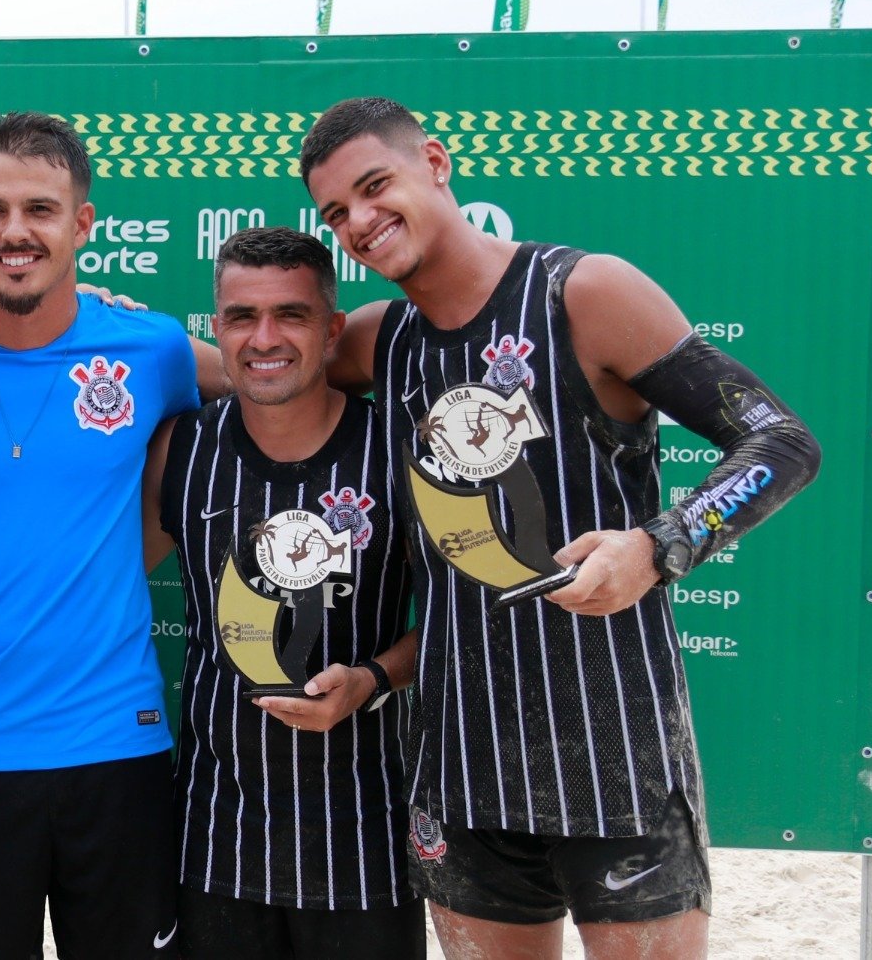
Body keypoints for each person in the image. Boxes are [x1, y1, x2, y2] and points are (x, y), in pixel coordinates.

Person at [298, 97, 823, 960]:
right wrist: (102, 315)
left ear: (434, 161)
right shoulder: (379, 339)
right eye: (335, 212)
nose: (358, 221)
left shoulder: (584, 293)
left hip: (615, 756)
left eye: (374, 186)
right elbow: (257, 368)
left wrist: (658, 546)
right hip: (461, 764)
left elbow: (783, 440)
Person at [0, 111, 226, 959]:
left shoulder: (153, 350)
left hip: (120, 740)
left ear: (81, 224)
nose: (15, 231)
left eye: (41, 209)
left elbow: (281, 380)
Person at [141, 226, 424, 959]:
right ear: (216, 329)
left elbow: (465, 616)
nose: (264, 337)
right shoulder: (183, 448)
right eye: (242, 316)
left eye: (290, 315)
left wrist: (371, 678)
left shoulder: (396, 450)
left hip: (367, 841)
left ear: (332, 331)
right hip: (215, 839)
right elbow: (94, 576)